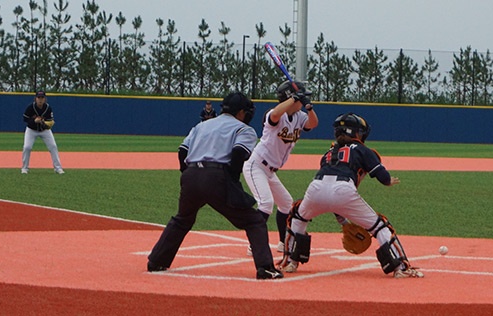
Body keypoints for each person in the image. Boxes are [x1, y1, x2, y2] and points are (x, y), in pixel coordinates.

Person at [147, 92, 283, 280]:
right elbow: (237, 155)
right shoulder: (244, 129)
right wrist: (231, 183)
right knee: (254, 220)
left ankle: (156, 261)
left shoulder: (201, 125)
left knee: (182, 219)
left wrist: (188, 175)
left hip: (190, 175)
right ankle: (265, 268)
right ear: (242, 112)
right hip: (216, 176)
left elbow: (182, 151)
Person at [278, 112, 424, 278]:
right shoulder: (363, 149)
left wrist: (342, 221)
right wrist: (389, 181)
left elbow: (329, 192)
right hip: (343, 189)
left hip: (316, 188)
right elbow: (382, 177)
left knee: (297, 216)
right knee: (379, 225)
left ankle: (290, 262)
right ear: (357, 133)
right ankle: (401, 268)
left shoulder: (329, 152)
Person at [242, 81, 318, 255]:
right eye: (301, 97)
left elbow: (313, 124)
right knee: (266, 203)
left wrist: (309, 107)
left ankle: (283, 243)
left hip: (270, 170)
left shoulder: (299, 116)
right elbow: (275, 114)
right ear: (289, 98)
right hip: (257, 166)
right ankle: (254, 244)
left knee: (286, 204)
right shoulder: (275, 114)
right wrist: (293, 99)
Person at [21, 91, 64, 174]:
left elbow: (49, 121)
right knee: (27, 147)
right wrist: (34, 121)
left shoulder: (48, 108)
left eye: (42, 98)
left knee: (53, 146)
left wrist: (47, 123)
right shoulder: (30, 107)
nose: (40, 100)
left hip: (44, 131)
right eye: (39, 98)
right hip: (31, 130)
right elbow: (25, 119)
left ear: (45, 99)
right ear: (35, 99)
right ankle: (24, 168)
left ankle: (58, 168)